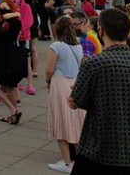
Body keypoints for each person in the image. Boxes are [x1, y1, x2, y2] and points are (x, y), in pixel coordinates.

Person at [69, 8, 130, 173]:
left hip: (100, 146)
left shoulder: (95, 63)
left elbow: (76, 99)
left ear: (101, 30)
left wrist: (77, 98)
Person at [44, 16, 85, 173]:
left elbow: (48, 69)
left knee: (60, 122)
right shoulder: (78, 46)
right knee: (76, 123)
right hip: (74, 83)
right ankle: (80, 161)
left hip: (60, 83)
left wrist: (48, 80)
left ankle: (67, 163)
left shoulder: (57, 46)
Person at [0, 0, 24, 124]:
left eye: (5, 9)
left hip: (7, 57)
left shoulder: (14, 22)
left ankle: (12, 110)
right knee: (6, 86)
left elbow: (13, 19)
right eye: (0, 9)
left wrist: (10, 14)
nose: (2, 12)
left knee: (3, 85)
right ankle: (14, 112)